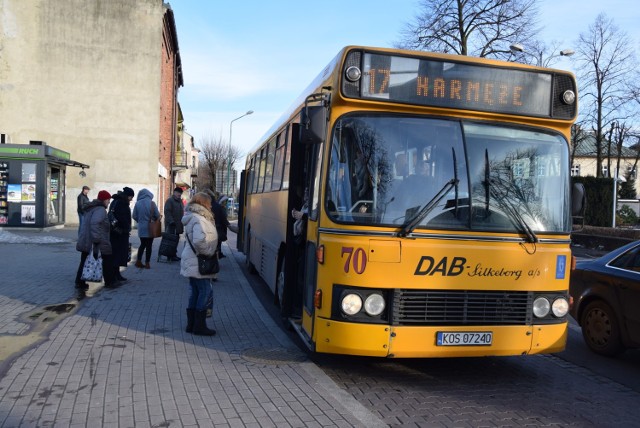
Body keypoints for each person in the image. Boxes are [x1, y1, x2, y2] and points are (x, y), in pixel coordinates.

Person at [180, 192, 218, 336]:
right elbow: (198, 241)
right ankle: (199, 326)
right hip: (198, 260)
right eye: (209, 202)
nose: (211, 205)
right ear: (204, 203)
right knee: (204, 291)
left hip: (192, 259)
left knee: (195, 291)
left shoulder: (194, 217)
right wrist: (208, 252)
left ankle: (192, 324)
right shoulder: (199, 219)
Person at [75, 190, 119, 289]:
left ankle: (79, 282)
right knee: (107, 260)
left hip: (88, 240)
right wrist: (96, 239)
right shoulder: (100, 210)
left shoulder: (92, 208)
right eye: (108, 200)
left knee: (84, 260)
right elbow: (94, 224)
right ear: (104, 200)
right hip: (97, 242)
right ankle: (110, 282)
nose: (109, 202)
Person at [109, 186, 134, 282]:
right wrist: (126, 228)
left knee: (116, 253)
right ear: (127, 196)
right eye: (131, 197)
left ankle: (116, 273)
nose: (131, 199)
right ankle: (115, 274)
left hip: (114, 231)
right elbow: (123, 218)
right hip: (120, 233)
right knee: (118, 254)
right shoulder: (122, 203)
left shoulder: (115, 201)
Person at [132, 188, 160, 269]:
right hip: (150, 228)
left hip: (141, 228)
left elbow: (134, 216)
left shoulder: (137, 203)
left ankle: (138, 261)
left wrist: (140, 221)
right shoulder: (152, 203)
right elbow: (157, 215)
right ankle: (147, 263)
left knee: (142, 244)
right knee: (149, 246)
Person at [206, 190, 230, 258]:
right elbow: (223, 219)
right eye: (225, 201)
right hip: (217, 229)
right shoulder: (218, 206)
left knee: (212, 246)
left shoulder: (207, 206)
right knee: (216, 246)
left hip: (212, 229)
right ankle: (216, 258)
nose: (225, 203)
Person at [164, 187, 184, 261]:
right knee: (171, 241)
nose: (179, 194)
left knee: (176, 240)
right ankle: (170, 255)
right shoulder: (170, 201)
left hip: (178, 225)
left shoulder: (180, 201)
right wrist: (171, 221)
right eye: (178, 192)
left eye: (180, 193)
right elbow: (167, 212)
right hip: (171, 225)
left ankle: (173, 254)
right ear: (174, 192)